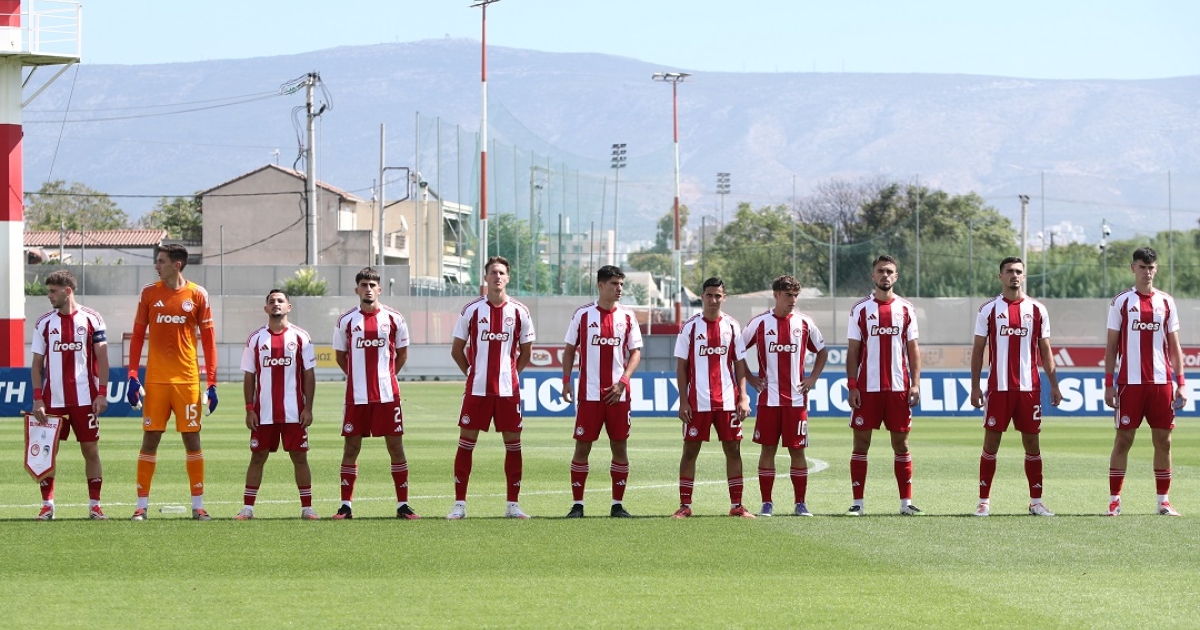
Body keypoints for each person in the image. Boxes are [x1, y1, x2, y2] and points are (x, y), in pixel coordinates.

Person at [126, 244, 218, 521]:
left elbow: (209, 341)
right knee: (150, 438)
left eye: (161, 261)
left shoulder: (198, 294)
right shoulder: (149, 293)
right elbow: (137, 335)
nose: (157, 266)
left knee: (192, 438)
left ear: (177, 265)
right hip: (156, 380)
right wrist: (133, 375)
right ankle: (141, 506)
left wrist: (212, 382)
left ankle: (198, 506)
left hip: (187, 380)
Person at [969, 257, 1063, 517]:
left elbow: (1046, 350)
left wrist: (1054, 385)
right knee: (991, 443)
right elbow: (978, 350)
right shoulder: (988, 310)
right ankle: (983, 501)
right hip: (998, 388)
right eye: (1009, 271)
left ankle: (1036, 502)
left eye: (1019, 272)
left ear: (1024, 276)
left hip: (1029, 389)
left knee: (1032, 444)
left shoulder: (1037, 310)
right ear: (1000, 276)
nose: (1014, 275)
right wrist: (975, 387)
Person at [448, 256, 535, 519]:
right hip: (477, 390)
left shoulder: (520, 311)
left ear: (508, 278)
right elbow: (456, 349)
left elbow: (526, 352)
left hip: (508, 392)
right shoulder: (472, 310)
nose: (497, 276)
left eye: (501, 273)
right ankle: (459, 505)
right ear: (485, 277)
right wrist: (471, 373)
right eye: (493, 272)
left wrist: (512, 375)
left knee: (513, 446)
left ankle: (513, 505)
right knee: (466, 444)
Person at [331, 267, 419, 520]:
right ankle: (345, 506)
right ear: (356, 289)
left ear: (379, 289)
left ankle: (403, 505)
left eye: (372, 285)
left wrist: (386, 377)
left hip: (387, 396)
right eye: (363, 285)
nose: (368, 289)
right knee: (351, 448)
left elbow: (402, 354)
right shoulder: (346, 321)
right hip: (356, 396)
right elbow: (341, 356)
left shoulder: (394, 318)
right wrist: (357, 377)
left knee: (396, 447)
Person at [1104, 246, 1185, 516]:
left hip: (1162, 384)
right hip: (1130, 384)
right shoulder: (1121, 302)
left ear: (1156, 269)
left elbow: (1174, 346)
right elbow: (1111, 347)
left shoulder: (1166, 302)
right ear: (1133, 268)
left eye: (1151, 268)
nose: (1147, 272)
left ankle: (1163, 501)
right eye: (1142, 267)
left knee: (1164, 442)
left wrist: (1181, 382)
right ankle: (1114, 501)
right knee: (1123, 440)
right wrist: (1109, 383)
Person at [742, 275, 828, 517]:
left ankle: (800, 503)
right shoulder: (760, 323)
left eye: (795, 295)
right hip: (768, 400)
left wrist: (812, 378)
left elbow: (822, 352)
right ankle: (766, 503)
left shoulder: (804, 323)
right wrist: (750, 378)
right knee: (767, 450)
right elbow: (736, 351)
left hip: (796, 401)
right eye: (788, 295)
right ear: (776, 295)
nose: (793, 300)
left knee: (797, 451)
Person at [561, 265, 643, 518]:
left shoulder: (627, 316)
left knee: (619, 447)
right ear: (600, 285)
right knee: (582, 447)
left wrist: (623, 382)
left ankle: (617, 505)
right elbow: (569, 349)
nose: (619, 289)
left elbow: (636, 353)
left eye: (621, 284)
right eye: (614, 284)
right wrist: (566, 381)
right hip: (589, 395)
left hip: (618, 395)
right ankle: (577, 505)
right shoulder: (583, 315)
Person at [845, 255, 923, 516]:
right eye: (881, 271)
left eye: (890, 271)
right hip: (867, 389)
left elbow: (913, 349)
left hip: (899, 388)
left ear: (896, 276)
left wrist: (915, 384)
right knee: (861, 444)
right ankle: (858, 503)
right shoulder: (860, 309)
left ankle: (906, 503)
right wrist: (852, 385)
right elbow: (853, 350)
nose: (885, 275)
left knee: (901, 445)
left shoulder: (906, 309)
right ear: (873, 276)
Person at [29, 270, 109, 520]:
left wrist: (102, 393)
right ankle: (47, 505)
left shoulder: (92, 319)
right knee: (47, 452)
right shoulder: (44, 323)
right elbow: (36, 365)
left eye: (53, 291)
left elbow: (102, 358)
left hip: (85, 399)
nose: (49, 296)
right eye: (48, 291)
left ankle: (95, 505)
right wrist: (38, 398)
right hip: (52, 401)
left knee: (91, 450)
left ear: (68, 291)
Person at [672, 277, 755, 519]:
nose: (713, 300)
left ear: (724, 298)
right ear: (702, 297)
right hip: (697, 402)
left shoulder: (732, 326)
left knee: (733, 450)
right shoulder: (690, 327)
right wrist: (683, 400)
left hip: (728, 400)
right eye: (709, 295)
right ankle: (685, 505)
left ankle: (737, 505)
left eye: (718, 295)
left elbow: (739, 364)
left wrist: (743, 397)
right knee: (690, 451)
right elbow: (681, 367)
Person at [235, 290, 319, 520]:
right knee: (257, 457)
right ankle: (247, 508)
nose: (276, 304)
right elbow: (249, 376)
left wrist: (308, 408)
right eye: (271, 301)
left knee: (299, 458)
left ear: (289, 307)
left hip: (294, 412)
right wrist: (249, 409)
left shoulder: (301, 337)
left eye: (280, 301)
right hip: (264, 413)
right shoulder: (256, 339)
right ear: (266, 308)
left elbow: (309, 374)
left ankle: (307, 508)